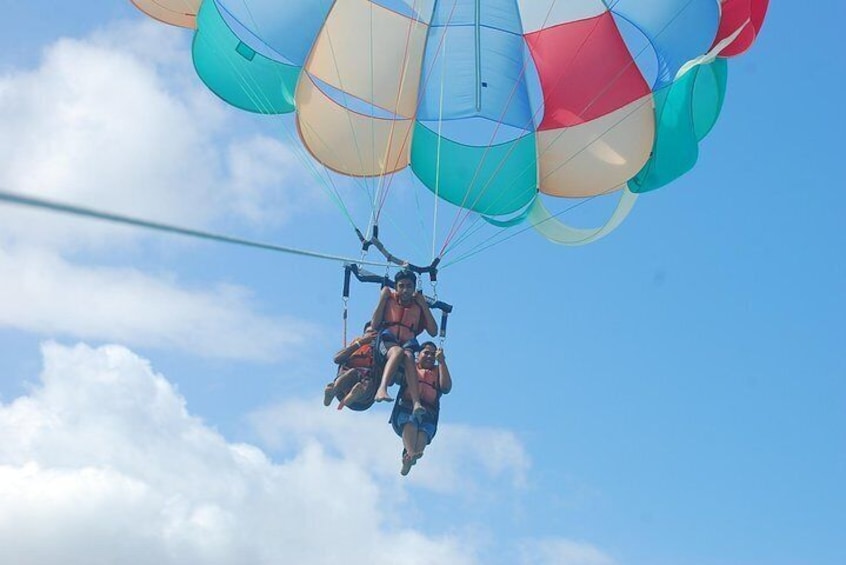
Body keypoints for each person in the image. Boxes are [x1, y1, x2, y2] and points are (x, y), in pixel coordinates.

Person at [370, 270, 437, 409]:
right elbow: (374, 325)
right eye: (401, 286)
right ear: (396, 287)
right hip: (387, 342)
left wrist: (424, 305)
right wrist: (382, 298)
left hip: (407, 345)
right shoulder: (389, 299)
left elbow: (433, 331)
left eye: (409, 286)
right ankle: (382, 389)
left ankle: (416, 402)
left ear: (414, 288)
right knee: (398, 352)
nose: (405, 290)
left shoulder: (418, 306)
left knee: (408, 356)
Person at [391, 341, 452, 476]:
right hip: (408, 407)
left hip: (429, 412)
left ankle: (409, 458)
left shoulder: (438, 371)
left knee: (423, 433)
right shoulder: (410, 367)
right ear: (419, 355)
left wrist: (442, 361)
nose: (429, 356)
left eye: (432, 354)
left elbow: (446, 387)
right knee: (411, 422)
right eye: (426, 353)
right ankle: (411, 455)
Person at [324, 323, 378, 410]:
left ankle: (355, 394)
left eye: (374, 333)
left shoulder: (381, 348)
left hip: (365, 396)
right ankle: (333, 391)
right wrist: (361, 343)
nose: (371, 335)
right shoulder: (356, 344)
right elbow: (336, 359)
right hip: (344, 388)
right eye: (369, 332)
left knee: (366, 384)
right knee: (352, 373)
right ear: (364, 334)